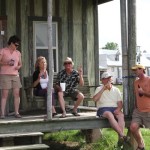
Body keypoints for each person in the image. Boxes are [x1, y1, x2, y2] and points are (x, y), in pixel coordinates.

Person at [93, 72, 129, 145]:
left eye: (110, 78)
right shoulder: (99, 88)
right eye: (107, 79)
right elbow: (94, 99)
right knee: (109, 115)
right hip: (103, 109)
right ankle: (122, 135)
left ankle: (121, 139)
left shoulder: (116, 89)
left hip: (114, 108)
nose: (109, 80)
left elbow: (120, 104)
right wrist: (103, 89)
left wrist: (118, 109)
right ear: (102, 80)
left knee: (121, 115)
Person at [0, 35, 22, 119]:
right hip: (5, 74)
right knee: (5, 94)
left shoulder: (18, 53)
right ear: (11, 43)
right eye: (16, 45)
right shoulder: (3, 51)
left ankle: (16, 112)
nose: (17, 46)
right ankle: (2, 114)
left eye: (18, 45)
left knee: (16, 94)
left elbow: (20, 64)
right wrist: (7, 63)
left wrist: (18, 67)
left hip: (15, 75)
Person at [130, 64, 150, 150]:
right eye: (134, 70)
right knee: (133, 127)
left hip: (149, 110)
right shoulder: (136, 82)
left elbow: (142, 94)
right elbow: (137, 96)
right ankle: (141, 145)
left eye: (136, 70)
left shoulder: (149, 80)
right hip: (138, 111)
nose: (135, 72)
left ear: (142, 70)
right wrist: (136, 106)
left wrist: (144, 92)